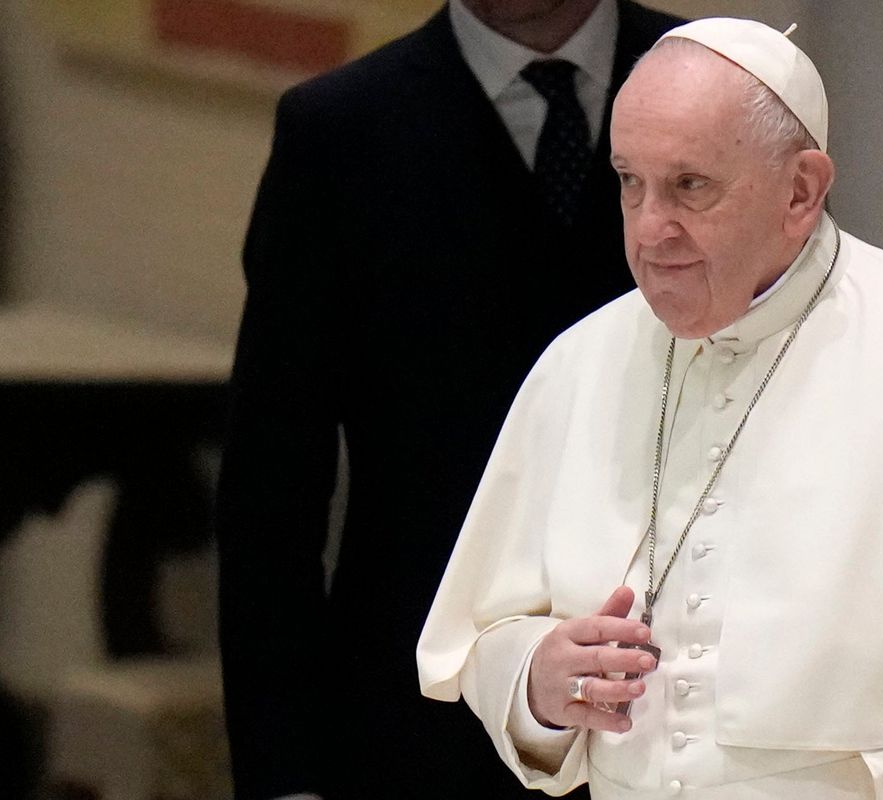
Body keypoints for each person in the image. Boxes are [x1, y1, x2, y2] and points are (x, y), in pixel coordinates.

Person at [417, 17, 883, 799]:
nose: (650, 230)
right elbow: (489, 638)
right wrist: (537, 683)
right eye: (629, 181)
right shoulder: (580, 364)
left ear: (800, 190)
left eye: (690, 186)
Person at [215, 1, 681, 798]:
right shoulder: (341, 130)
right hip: (414, 714)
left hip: (673, 698)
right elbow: (272, 489)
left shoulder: (713, 84)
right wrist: (285, 774)